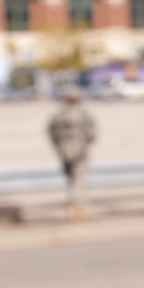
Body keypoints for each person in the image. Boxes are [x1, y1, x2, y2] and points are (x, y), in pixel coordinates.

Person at [47, 85, 96, 220]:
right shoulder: (83, 114)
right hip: (80, 151)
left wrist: (59, 147)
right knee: (79, 179)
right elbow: (92, 133)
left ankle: (74, 206)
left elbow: (51, 132)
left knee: (71, 180)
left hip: (64, 152)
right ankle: (79, 207)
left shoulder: (59, 114)